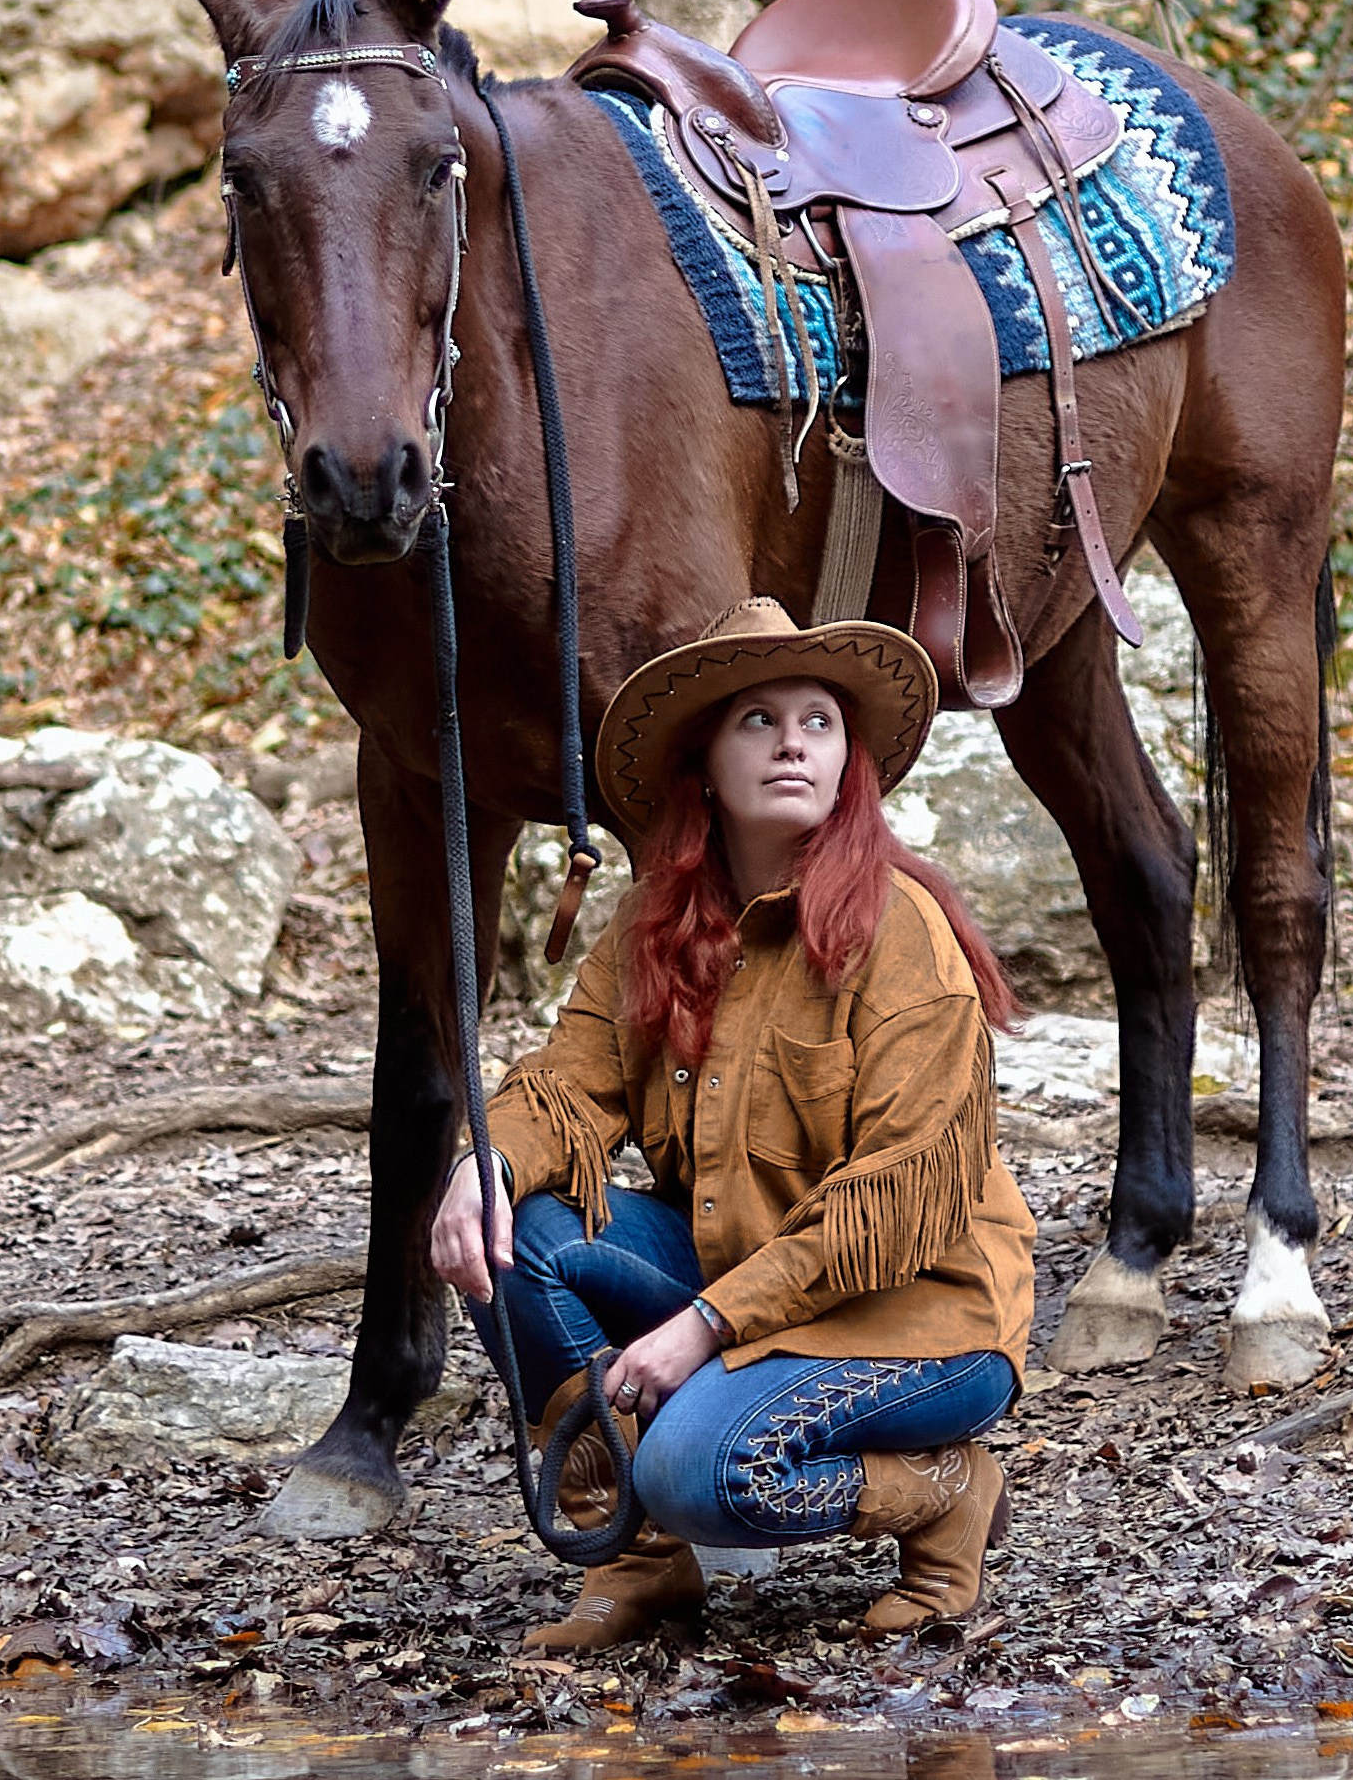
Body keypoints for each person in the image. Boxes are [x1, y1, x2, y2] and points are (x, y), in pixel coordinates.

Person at [429, 596, 1034, 1653]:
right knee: (514, 1231)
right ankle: (637, 1555)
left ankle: (939, 1489)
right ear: (705, 759)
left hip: (921, 1316)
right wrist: (480, 1166)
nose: (792, 739)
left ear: (848, 760)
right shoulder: (654, 926)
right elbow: (567, 1085)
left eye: (817, 719)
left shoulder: (902, 935)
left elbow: (887, 1213)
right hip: (736, 1275)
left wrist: (700, 1329)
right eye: (757, 717)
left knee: (704, 1472)